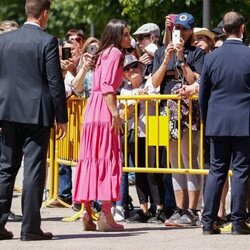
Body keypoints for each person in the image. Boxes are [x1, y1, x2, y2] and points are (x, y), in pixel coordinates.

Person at [0, 0, 68, 241]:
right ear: (45, 14)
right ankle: (30, 228)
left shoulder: (4, 40)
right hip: (36, 113)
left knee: (6, 169)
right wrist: (62, 117)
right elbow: (54, 81)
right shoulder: (47, 41)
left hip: (7, 111)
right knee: (33, 170)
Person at [73, 19, 131, 231]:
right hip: (104, 108)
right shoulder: (115, 53)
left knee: (91, 158)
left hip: (92, 109)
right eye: (125, 34)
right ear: (116, 35)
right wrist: (115, 113)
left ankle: (88, 213)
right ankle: (106, 215)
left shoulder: (103, 52)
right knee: (108, 157)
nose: (128, 38)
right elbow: (107, 86)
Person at [152, 12, 205, 227]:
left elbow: (195, 80)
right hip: (167, 111)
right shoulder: (161, 52)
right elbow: (154, 83)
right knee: (174, 162)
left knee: (189, 159)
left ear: (191, 31)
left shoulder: (198, 53)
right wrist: (166, 60)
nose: (180, 33)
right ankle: (180, 209)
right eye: (177, 29)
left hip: (189, 111)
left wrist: (182, 59)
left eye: (184, 29)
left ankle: (192, 211)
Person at [200, 11, 250, 235]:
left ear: (223, 30)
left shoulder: (211, 57)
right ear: (242, 29)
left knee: (216, 172)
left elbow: (203, 95)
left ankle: (207, 222)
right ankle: (238, 222)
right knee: (240, 173)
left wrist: (206, 120)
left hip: (217, 123)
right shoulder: (249, 55)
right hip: (244, 123)